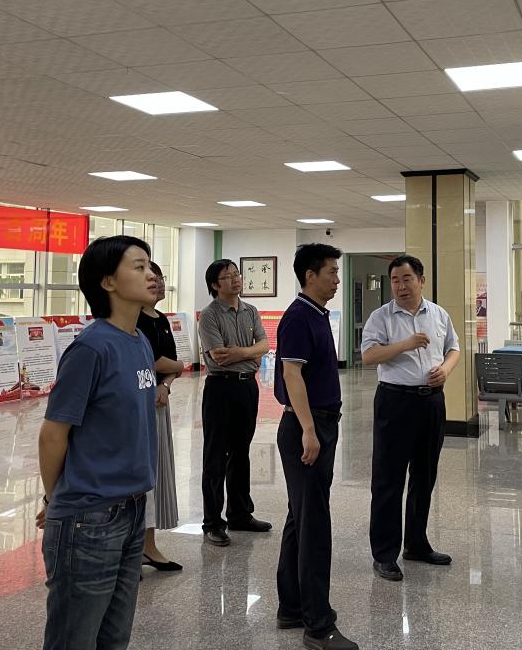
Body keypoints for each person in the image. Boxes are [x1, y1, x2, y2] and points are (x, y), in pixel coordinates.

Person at [36, 235, 159, 650]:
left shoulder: (140, 341)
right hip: (89, 517)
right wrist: (55, 498)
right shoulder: (91, 348)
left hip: (132, 508)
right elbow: (54, 433)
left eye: (150, 266)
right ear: (107, 282)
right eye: (139, 266)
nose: (151, 274)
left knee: (113, 637)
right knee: (75, 639)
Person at [274, 243, 358, 650]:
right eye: (332, 272)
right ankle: (318, 625)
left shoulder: (317, 314)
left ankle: (291, 606)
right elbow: (292, 375)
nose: (337, 280)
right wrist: (309, 430)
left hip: (319, 423)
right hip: (306, 427)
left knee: (300, 518)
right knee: (314, 527)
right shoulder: (298, 316)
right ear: (310, 275)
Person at [361, 255, 460, 582]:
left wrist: (445, 370)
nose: (401, 286)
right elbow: (369, 355)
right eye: (395, 280)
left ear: (421, 281)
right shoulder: (381, 317)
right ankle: (384, 554)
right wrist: (405, 344)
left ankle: (416, 544)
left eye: (407, 279)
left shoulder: (439, 314)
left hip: (431, 403)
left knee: (424, 475)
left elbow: (454, 348)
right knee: (388, 479)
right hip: (395, 402)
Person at [198, 259, 271, 546]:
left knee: (241, 452)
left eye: (236, 274)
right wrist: (251, 353)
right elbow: (219, 356)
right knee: (216, 456)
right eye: (228, 276)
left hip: (247, 387)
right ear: (215, 285)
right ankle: (212, 522)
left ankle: (240, 514)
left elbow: (265, 346)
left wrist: (241, 352)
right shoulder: (209, 315)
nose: (236, 279)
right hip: (220, 388)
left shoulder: (250, 311)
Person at [136, 261, 185, 570]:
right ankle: (135, 548)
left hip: (158, 401)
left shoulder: (161, 319)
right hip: (138, 404)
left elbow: (171, 363)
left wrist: (166, 383)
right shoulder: (133, 320)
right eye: (151, 278)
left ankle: (148, 546)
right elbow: (151, 361)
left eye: (161, 277)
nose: (158, 283)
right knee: (141, 474)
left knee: (155, 473)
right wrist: (174, 367)